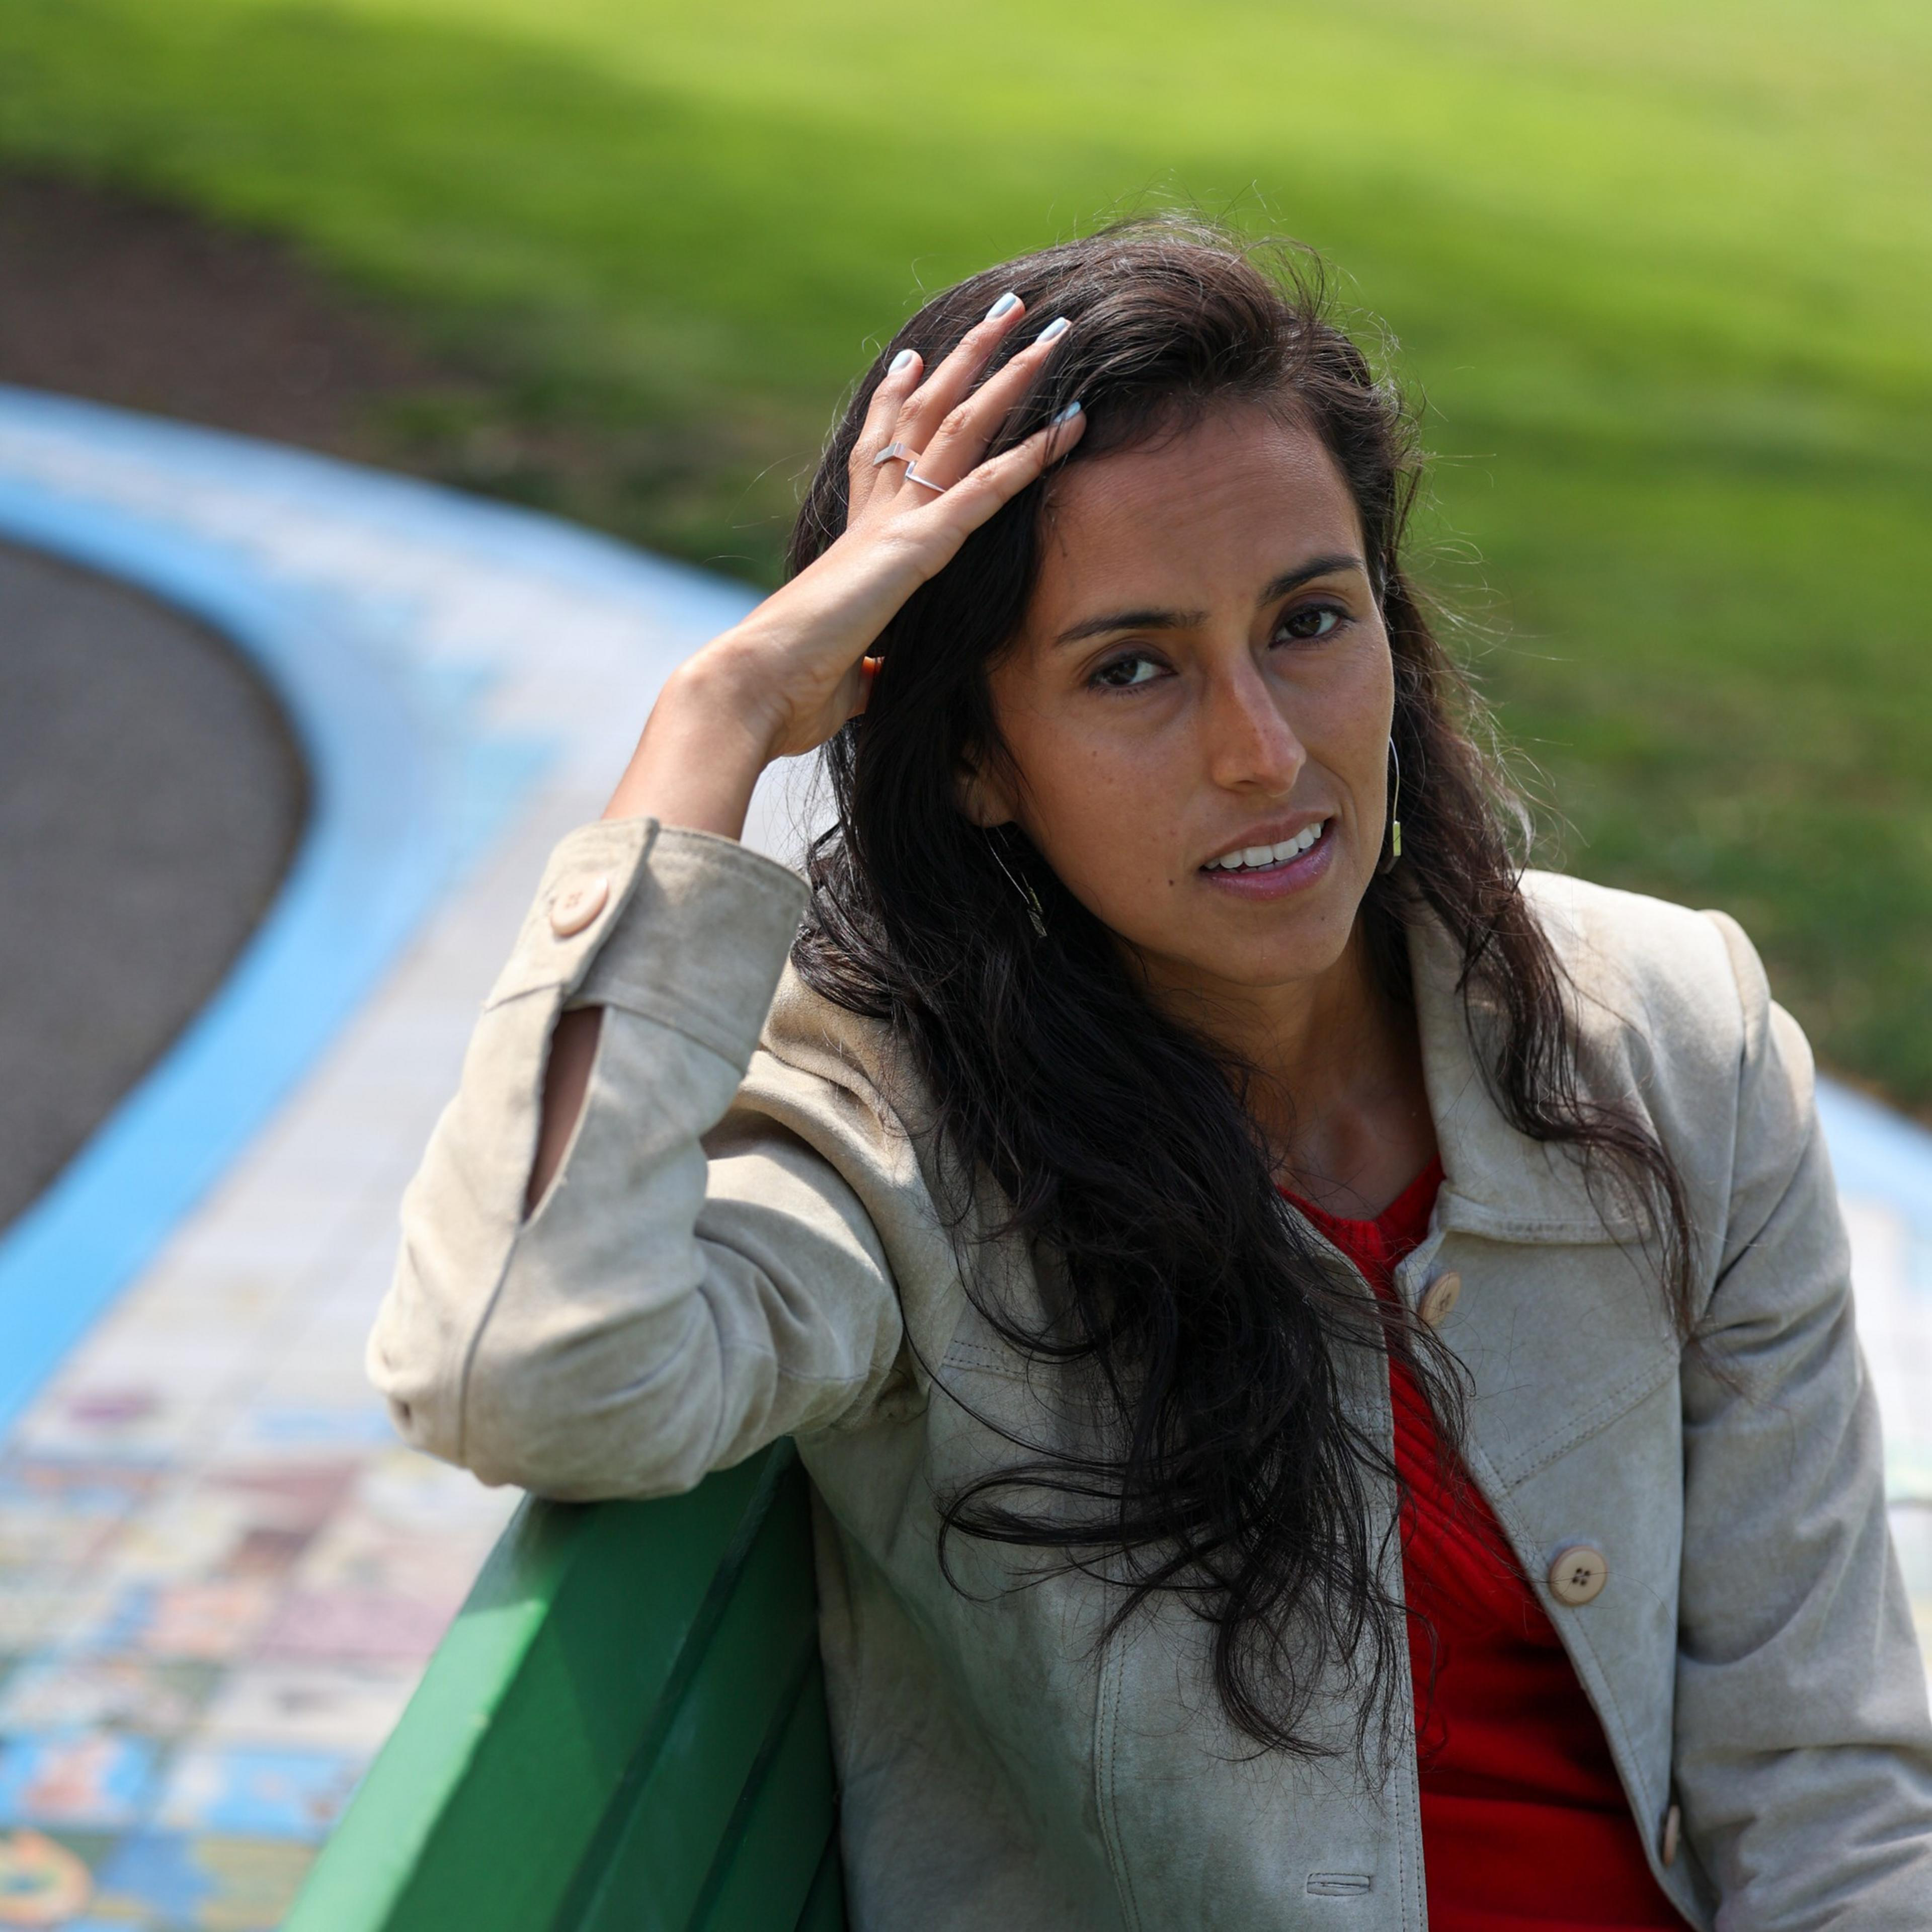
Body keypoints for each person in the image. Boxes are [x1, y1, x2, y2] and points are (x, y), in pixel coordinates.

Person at [368, 218, 1932, 1929]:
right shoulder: (895, 1154)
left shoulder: (1667, 1038)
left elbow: (1824, 1790)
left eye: (1310, 621)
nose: (1264, 751)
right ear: (974, 755)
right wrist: (720, 712)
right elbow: (523, 1365)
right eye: (1132, 668)